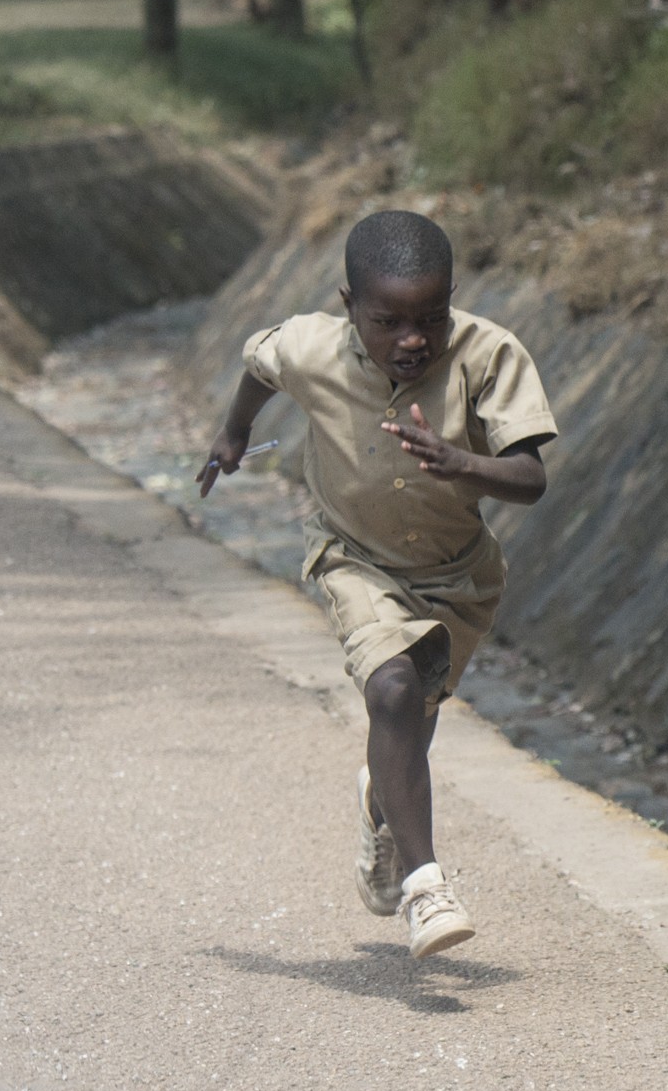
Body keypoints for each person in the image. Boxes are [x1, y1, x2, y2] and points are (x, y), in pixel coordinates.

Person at [198, 208, 557, 961]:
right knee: (391, 691)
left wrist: (465, 464)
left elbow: (530, 476)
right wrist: (233, 435)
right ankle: (426, 889)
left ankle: (380, 805)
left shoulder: (489, 355)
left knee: (411, 719)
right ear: (348, 305)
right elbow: (261, 368)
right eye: (388, 321)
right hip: (353, 555)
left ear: (452, 300)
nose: (412, 339)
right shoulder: (312, 347)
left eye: (430, 317)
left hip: (459, 579)